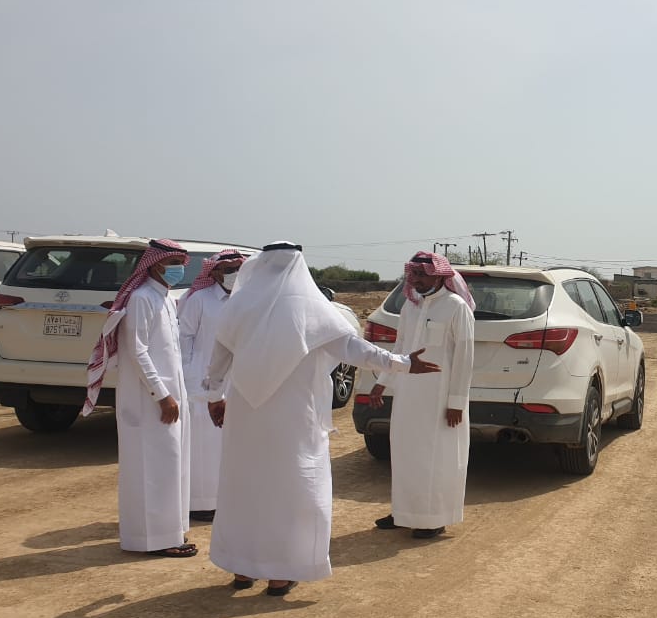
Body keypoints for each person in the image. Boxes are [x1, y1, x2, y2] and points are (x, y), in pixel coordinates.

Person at [202, 242, 440, 596]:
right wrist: (403, 363)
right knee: (289, 489)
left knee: (244, 485)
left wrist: (214, 398)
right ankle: (280, 574)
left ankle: (241, 567)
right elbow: (354, 349)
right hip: (294, 417)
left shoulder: (238, 305)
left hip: (245, 414)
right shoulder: (311, 307)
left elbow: (218, 360)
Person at [82, 238, 195, 557]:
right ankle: (155, 539)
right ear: (155, 265)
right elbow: (138, 350)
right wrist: (161, 395)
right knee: (152, 468)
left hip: (170, 395)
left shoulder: (165, 299)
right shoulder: (142, 298)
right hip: (149, 400)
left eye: (180, 264)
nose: (177, 269)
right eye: (172, 263)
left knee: (169, 465)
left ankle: (169, 534)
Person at [368, 251, 475, 539]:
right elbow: (400, 348)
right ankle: (403, 512)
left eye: (421, 274)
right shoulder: (410, 306)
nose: (415, 280)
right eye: (412, 274)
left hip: (439, 397)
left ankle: (433, 518)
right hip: (407, 395)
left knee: (435, 458)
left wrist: (456, 402)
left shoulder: (456, 307)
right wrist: (382, 382)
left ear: (438, 275)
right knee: (405, 454)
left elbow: (465, 357)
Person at [177, 248, 247, 522]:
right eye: (228, 270)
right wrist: (189, 376)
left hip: (238, 382)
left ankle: (227, 502)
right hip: (203, 383)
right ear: (214, 273)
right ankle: (200, 503)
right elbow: (184, 338)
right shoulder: (199, 299)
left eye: (238, 269)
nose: (234, 274)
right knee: (204, 446)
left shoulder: (246, 300)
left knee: (232, 445)